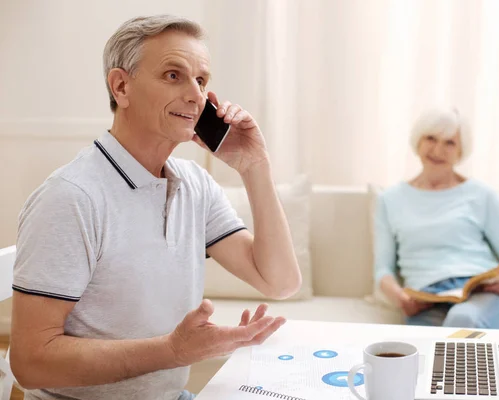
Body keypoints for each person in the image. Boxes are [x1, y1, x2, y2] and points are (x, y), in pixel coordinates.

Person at [9, 15, 302, 400]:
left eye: (201, 81)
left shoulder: (195, 185)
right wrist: (173, 352)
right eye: (173, 75)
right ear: (121, 86)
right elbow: (30, 363)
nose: (196, 96)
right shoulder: (71, 197)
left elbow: (278, 282)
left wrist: (255, 167)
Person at [374, 107, 499, 329]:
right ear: (418, 141)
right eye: (431, 138)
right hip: (425, 300)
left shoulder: (481, 194)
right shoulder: (389, 200)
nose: (438, 150)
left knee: (462, 319)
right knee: (428, 353)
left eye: (450, 143)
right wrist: (400, 297)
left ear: (460, 152)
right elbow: (383, 270)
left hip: (479, 294)